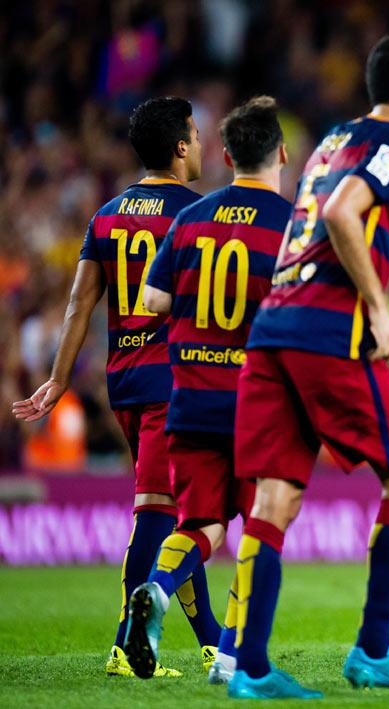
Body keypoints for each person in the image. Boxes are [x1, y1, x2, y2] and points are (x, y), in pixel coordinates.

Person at [224, 34, 389, 700]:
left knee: (276, 498)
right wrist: (380, 313)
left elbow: (317, 209)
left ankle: (251, 668)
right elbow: (340, 212)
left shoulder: (331, 139)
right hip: (331, 330)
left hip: (276, 325)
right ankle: (374, 651)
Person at [12, 97, 222, 677]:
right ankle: (126, 644)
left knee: (176, 507)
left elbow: (81, 300)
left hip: (124, 380)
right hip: (175, 379)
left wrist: (57, 378)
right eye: (197, 136)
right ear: (180, 147)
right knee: (159, 510)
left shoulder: (106, 214)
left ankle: (212, 639)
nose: (202, 145)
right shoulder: (198, 212)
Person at [122, 96, 291, 684]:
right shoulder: (290, 224)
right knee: (261, 525)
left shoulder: (193, 218)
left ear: (224, 155)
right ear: (283, 154)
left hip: (189, 396)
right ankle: (233, 656)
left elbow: (153, 300)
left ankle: (159, 592)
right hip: (253, 401)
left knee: (200, 524)